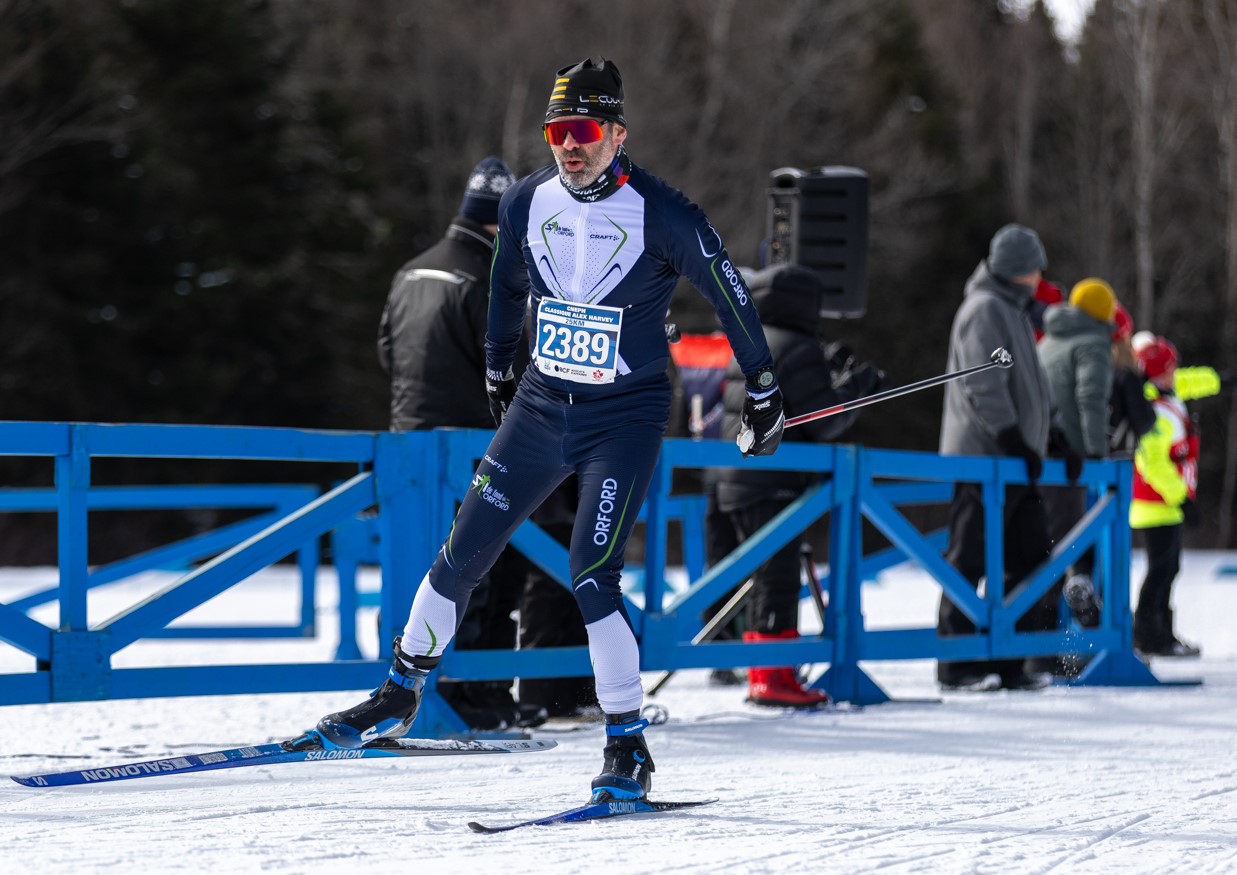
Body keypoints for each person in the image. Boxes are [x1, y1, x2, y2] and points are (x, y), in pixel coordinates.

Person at [297, 57, 784, 803]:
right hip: (541, 403)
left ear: (617, 133)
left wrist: (762, 385)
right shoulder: (527, 199)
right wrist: (497, 366)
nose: (568, 144)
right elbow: (503, 282)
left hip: (622, 418)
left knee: (591, 571)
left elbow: (728, 292)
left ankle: (626, 742)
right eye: (557, 129)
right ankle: (399, 690)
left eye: (583, 130)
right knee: (463, 548)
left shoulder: (663, 211)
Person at [376, 155, 547, 731]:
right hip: (472, 450)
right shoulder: (490, 279)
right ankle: (478, 692)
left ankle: (404, 686)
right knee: (486, 568)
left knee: (419, 571)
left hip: (405, 449)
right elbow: (512, 367)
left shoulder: (409, 272)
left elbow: (386, 353)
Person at [715, 264, 884, 707]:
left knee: (765, 575)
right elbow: (827, 420)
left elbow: (794, 407)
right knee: (779, 578)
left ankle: (765, 673)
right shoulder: (798, 344)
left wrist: (835, 378)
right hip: (775, 484)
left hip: (738, 482)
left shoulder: (750, 341)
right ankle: (774, 678)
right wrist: (861, 387)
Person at [936, 223, 1079, 692]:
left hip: (1014, 463)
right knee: (969, 559)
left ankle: (1017, 658)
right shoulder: (984, 310)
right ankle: (956, 663)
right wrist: (1012, 436)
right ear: (1019, 269)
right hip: (983, 460)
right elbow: (984, 384)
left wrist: (1055, 435)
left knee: (1032, 558)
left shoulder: (1015, 312)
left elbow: (1035, 386)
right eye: (1035, 267)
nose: (1040, 276)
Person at [1036, 278, 1116, 630]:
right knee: (1069, 543)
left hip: (1040, 454)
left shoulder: (1049, 339)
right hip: (1071, 460)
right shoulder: (1093, 342)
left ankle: (1039, 638)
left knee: (1044, 543)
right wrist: (1097, 452)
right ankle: (1052, 645)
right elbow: (1090, 398)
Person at [1130, 336, 1203, 657]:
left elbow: (1188, 381)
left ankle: (1162, 633)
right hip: (1155, 505)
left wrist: (1219, 380)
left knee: (1169, 568)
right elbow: (1154, 464)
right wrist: (1181, 499)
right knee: (1161, 570)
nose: (1175, 375)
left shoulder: (1167, 393)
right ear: (1155, 375)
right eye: (1169, 370)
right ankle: (1148, 634)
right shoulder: (1154, 412)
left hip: (1166, 504)